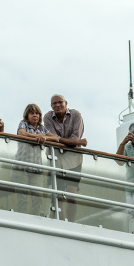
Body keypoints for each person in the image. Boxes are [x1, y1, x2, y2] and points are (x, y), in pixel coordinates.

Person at [43, 94, 87, 222]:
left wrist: (59, 140)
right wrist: (76, 142)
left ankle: (71, 224)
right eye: (54, 103)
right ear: (51, 106)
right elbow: (52, 138)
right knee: (58, 196)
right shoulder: (47, 117)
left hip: (74, 160)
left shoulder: (76, 115)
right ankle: (60, 222)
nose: (57, 105)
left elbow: (74, 138)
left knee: (72, 195)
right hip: (56, 160)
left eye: (59, 102)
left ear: (66, 103)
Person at [14, 103, 59, 216]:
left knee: (38, 198)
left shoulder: (41, 128)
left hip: (36, 169)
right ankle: (21, 222)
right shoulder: (23, 123)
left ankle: (34, 223)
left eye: (37, 113)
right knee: (23, 199)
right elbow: (21, 133)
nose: (35, 116)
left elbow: (55, 139)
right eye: (32, 113)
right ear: (27, 115)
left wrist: (44, 137)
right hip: (21, 168)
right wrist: (37, 137)